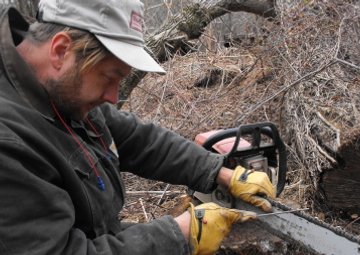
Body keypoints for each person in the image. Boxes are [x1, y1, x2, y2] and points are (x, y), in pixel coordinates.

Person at [0, 0, 277, 254]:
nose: (112, 96)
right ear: (61, 51)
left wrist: (220, 172)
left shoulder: (59, 91)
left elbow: (138, 139)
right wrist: (179, 233)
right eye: (110, 76)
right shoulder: (9, 141)